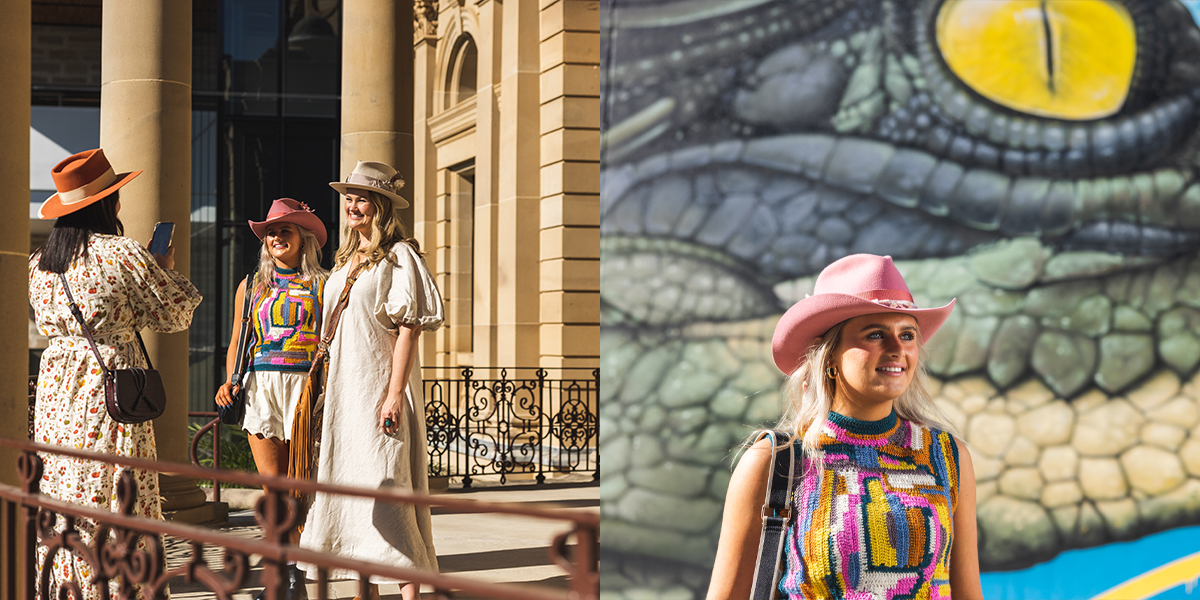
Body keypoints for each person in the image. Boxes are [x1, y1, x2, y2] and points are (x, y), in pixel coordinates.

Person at [707, 254, 982, 600]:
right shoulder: (777, 462)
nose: (898, 349)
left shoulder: (946, 457)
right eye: (876, 334)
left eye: (907, 334)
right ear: (830, 356)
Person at [29, 148, 203, 599]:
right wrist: (160, 267)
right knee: (115, 489)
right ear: (109, 203)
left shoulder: (39, 264)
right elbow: (176, 312)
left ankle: (67, 586)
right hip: (107, 391)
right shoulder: (120, 253)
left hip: (56, 393)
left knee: (67, 492)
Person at [299, 161, 443, 600]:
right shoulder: (345, 261)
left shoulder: (400, 256)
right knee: (354, 497)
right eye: (348, 197)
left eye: (361, 198)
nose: (352, 205)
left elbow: (409, 327)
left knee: (388, 494)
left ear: (379, 206)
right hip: (346, 395)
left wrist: (395, 394)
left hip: (378, 392)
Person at [215, 198, 328, 600]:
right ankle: (282, 576)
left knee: (302, 487)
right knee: (273, 489)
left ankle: (297, 573)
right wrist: (230, 380)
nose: (276, 237)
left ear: (304, 239)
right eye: (271, 232)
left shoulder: (324, 283)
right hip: (261, 386)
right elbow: (237, 342)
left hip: (306, 388)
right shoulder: (252, 285)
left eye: (285, 230)